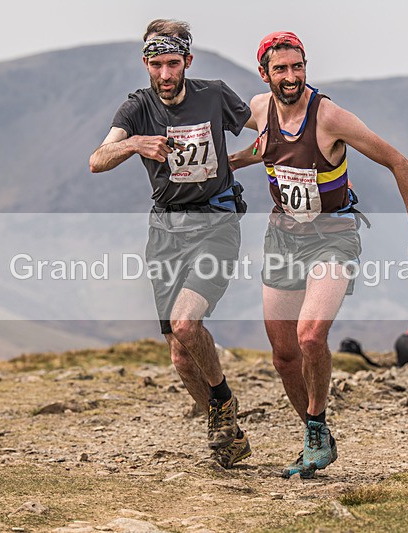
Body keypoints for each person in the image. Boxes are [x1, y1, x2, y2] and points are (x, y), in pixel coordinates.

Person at [230, 31, 408, 478]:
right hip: (282, 236)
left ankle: (317, 424)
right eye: (280, 69)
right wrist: (228, 162)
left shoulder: (330, 117)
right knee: (283, 355)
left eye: (297, 66)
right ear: (264, 74)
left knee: (309, 336)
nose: (291, 76)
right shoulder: (260, 108)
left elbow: (398, 161)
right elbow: (260, 145)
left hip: (333, 235)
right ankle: (314, 435)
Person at [88, 19, 252, 468]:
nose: (165, 73)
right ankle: (228, 432)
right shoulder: (136, 109)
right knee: (181, 357)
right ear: (145, 64)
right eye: (156, 64)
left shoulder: (214, 94)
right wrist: (135, 143)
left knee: (185, 324)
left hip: (217, 223)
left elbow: (271, 125)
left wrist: (238, 159)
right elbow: (97, 160)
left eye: (173, 63)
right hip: (165, 232)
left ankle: (221, 401)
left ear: (188, 62)